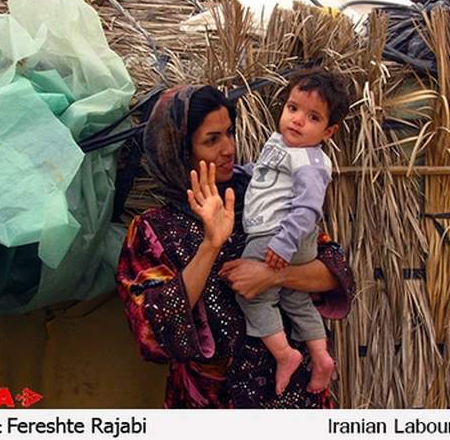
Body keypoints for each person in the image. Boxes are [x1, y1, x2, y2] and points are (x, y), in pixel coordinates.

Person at [116, 84, 354, 408]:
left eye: (230, 133)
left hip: (295, 398)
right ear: (179, 149)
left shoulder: (262, 196)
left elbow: (335, 272)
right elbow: (152, 331)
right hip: (213, 404)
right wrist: (210, 245)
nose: (228, 149)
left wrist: (273, 276)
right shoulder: (153, 231)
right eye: (211, 140)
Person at [238, 70, 351, 396]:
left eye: (313, 117)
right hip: (283, 236)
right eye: (293, 108)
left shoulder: (311, 161)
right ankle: (321, 356)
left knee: (252, 293)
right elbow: (263, 175)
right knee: (296, 297)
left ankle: (284, 354)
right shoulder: (279, 143)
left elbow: (307, 208)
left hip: (277, 234)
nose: (298, 120)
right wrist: (240, 172)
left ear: (328, 131)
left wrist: (283, 243)